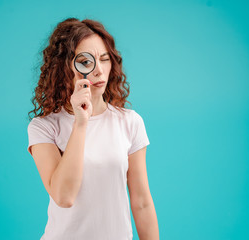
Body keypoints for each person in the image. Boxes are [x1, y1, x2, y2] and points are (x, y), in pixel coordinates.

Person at [27, 17, 159, 240]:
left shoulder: (130, 122)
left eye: (105, 59)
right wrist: (81, 122)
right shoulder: (43, 127)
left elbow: (142, 202)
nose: (99, 70)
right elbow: (64, 196)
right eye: (86, 62)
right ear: (64, 67)